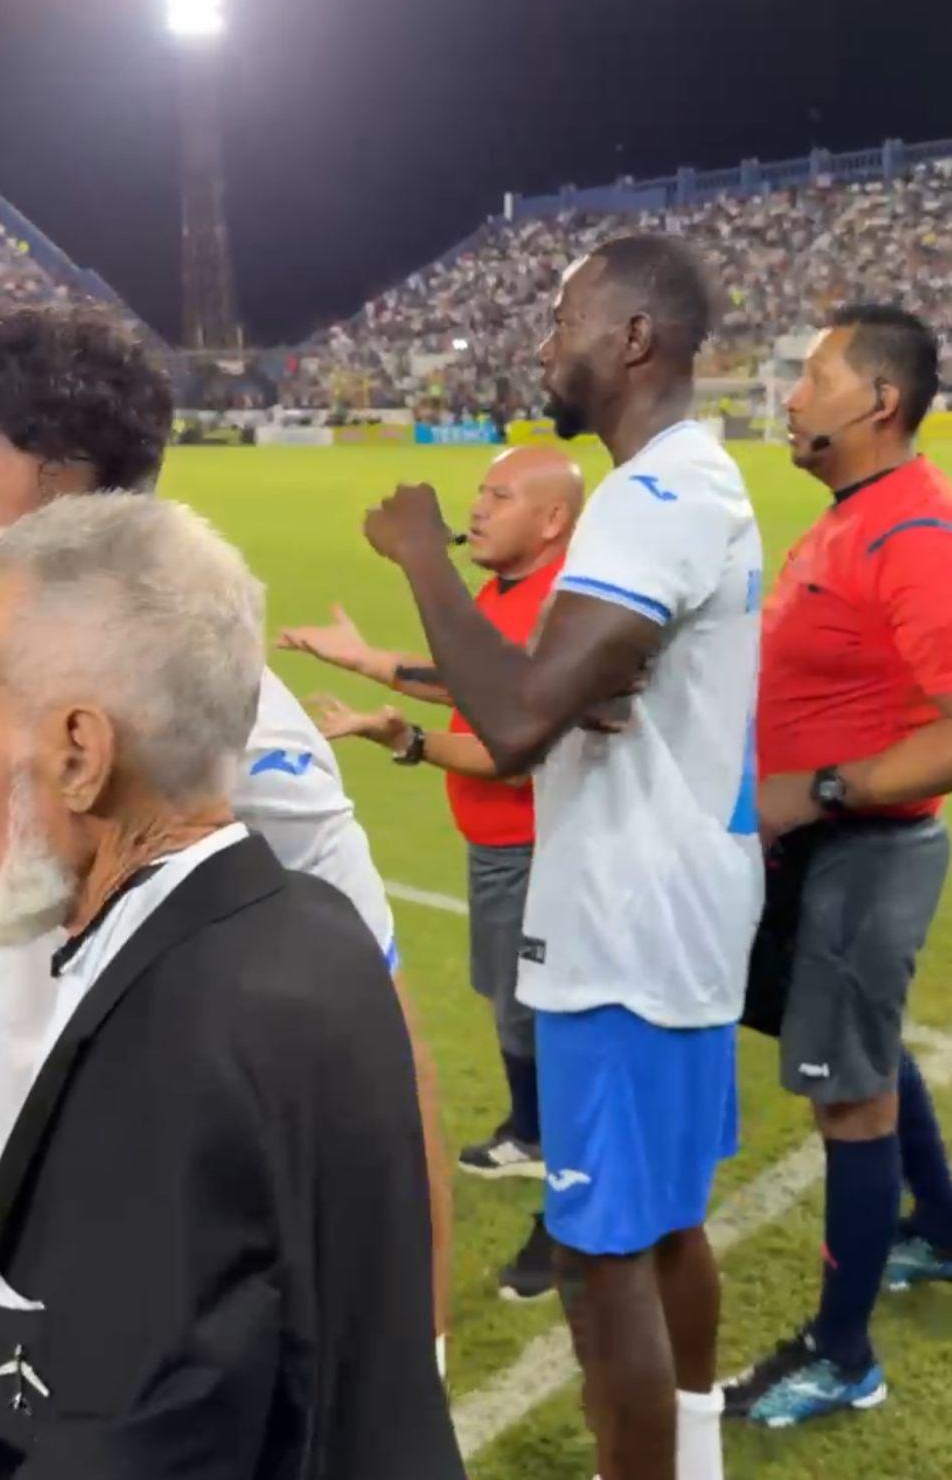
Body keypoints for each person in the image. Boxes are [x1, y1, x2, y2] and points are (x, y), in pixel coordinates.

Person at [0, 306, 449, 1353]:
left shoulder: (227, 737)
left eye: (19, 547)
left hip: (176, 1347)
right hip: (30, 1318)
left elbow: (375, 1048)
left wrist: (409, 1376)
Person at [360, 234, 764, 1480]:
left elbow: (521, 718)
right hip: (679, 906)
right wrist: (545, 684)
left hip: (625, 926)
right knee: (664, 1226)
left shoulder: (652, 499)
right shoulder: (685, 486)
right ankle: (685, 1463)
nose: (544, 344)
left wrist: (423, 552)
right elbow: (557, 693)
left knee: (597, 1254)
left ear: (633, 339)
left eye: (565, 319)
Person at [278, 446, 585, 1303]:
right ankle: (529, 1134)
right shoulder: (503, 591)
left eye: (499, 495)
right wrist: (369, 660)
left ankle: (565, 1222)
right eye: (478, 493)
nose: (476, 508)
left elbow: (508, 750)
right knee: (512, 1009)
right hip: (501, 850)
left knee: (550, 1032)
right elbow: (462, 675)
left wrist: (405, 741)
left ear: (552, 520)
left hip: (540, 853)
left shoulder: (556, 605)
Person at [723, 305, 952, 1428]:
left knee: (848, 1101)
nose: (789, 393)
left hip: (862, 848)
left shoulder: (908, 534)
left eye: (810, 374)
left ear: (876, 401)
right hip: (821, 848)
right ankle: (940, 1229)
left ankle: (842, 1355)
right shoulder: (852, 514)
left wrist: (811, 790)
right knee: (850, 1048)